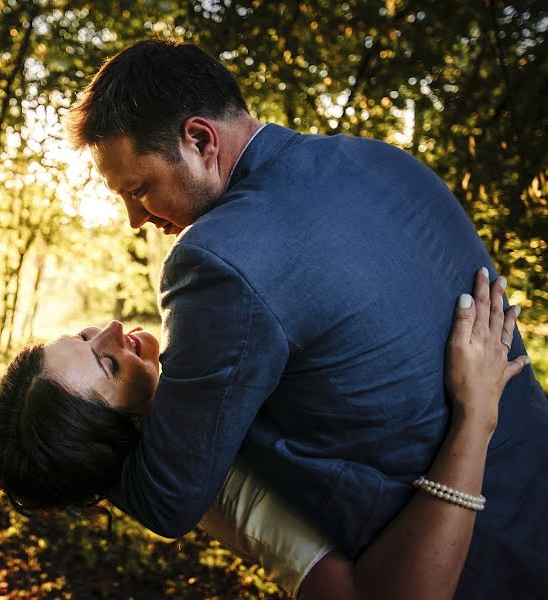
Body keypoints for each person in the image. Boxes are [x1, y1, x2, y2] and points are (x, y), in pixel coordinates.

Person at [52, 39, 547, 598]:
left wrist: (58, 441)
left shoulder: (219, 258)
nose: (135, 217)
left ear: (198, 140)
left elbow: (168, 499)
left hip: (459, 566)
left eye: (138, 189)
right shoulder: (383, 160)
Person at [0, 270, 529, 598]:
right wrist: (476, 416)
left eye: (83, 335)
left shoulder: (200, 367)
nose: (114, 329)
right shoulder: (220, 493)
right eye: (107, 366)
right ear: (121, 433)